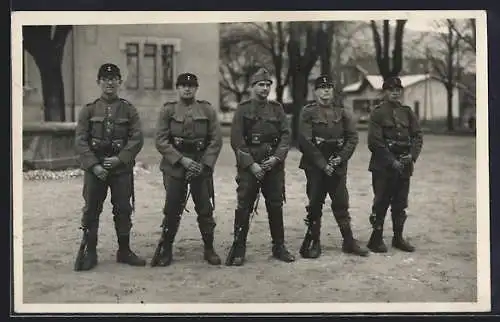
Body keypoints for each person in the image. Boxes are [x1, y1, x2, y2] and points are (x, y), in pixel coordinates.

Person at [74, 63, 145, 271]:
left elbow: (137, 138)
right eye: (105, 79)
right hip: (95, 170)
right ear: (99, 82)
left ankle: (124, 250)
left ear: (120, 82)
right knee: (91, 210)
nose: (110, 82)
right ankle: (90, 252)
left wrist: (120, 159)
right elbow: (80, 140)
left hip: (120, 169)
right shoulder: (88, 110)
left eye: (114, 78)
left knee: (123, 209)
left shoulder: (128, 109)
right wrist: (94, 166)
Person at [226, 68, 295, 266]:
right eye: (260, 85)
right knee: (244, 206)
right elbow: (236, 140)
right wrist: (251, 165)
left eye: (267, 85)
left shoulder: (277, 109)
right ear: (252, 87)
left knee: (275, 205)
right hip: (250, 167)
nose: (264, 88)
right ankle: (238, 248)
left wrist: (277, 158)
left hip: (273, 166)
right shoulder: (243, 109)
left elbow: (285, 136)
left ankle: (279, 246)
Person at [153, 72, 223, 266]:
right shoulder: (168, 110)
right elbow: (160, 140)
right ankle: (166, 248)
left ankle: (209, 248)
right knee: (172, 208)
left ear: (196, 88)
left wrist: (204, 164)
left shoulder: (207, 110)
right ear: (177, 88)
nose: (187, 88)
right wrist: (181, 160)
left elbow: (216, 140)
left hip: (200, 166)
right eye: (183, 85)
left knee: (204, 208)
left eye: (191, 85)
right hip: (176, 166)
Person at [297, 75, 369, 259]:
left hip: (337, 165)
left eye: (329, 87)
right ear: (315, 91)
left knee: (341, 203)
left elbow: (352, 138)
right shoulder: (308, 112)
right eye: (322, 87)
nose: (326, 90)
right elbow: (305, 141)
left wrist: (340, 158)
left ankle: (348, 241)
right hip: (315, 167)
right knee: (315, 203)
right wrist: (323, 165)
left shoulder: (343, 112)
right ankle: (314, 242)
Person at [366, 76, 423, 253]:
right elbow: (375, 142)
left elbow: (417, 136)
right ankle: (376, 239)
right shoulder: (377, 113)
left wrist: (411, 156)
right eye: (391, 90)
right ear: (385, 91)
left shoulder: (407, 112)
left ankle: (398, 238)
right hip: (383, 166)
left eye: (398, 89)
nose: (395, 93)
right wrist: (392, 161)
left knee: (400, 203)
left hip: (404, 165)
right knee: (381, 202)